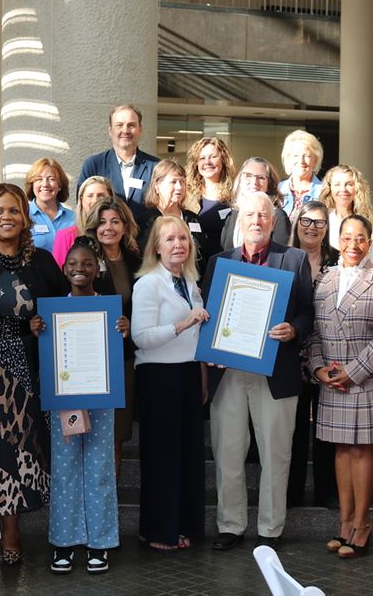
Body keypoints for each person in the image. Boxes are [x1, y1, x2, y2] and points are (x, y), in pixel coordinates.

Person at [0, 183, 69, 566]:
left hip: (26, 366)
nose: (6, 217)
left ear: (25, 217)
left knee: (17, 449)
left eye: (13, 211)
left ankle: (11, 532)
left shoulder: (41, 260)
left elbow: (63, 308)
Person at [205, 191, 314, 550]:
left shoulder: (294, 260)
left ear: (273, 221)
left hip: (276, 372)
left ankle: (270, 529)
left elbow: (306, 313)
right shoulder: (219, 262)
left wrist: (293, 329)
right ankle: (230, 526)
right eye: (249, 214)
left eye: (263, 215)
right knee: (228, 452)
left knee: (276, 454)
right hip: (229, 372)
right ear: (239, 221)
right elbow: (210, 315)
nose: (256, 220)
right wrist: (211, 348)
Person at [305, 214, 373, 558]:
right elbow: (315, 332)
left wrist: (353, 371)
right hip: (331, 380)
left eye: (360, 238)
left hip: (367, 380)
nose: (352, 244)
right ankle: (344, 523)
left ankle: (362, 524)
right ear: (337, 239)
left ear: (370, 241)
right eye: (346, 237)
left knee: (361, 450)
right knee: (341, 451)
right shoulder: (325, 279)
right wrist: (318, 368)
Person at [36, 237, 128, 574]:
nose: (79, 269)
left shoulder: (110, 309)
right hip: (67, 399)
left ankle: (100, 543)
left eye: (87, 263)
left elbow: (120, 350)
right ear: (64, 268)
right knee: (65, 469)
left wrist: (123, 330)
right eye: (73, 264)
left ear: (97, 268)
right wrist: (39, 330)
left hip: (101, 399)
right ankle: (63, 542)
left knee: (100, 468)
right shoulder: (52, 310)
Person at [132, 216, 208, 551]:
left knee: (189, 457)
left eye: (182, 238)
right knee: (162, 458)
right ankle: (158, 530)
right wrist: (182, 324)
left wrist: (203, 374)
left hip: (189, 376)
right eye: (170, 240)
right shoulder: (148, 284)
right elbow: (142, 338)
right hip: (159, 379)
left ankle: (184, 526)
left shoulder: (190, 283)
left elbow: (198, 336)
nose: (178, 244)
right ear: (157, 247)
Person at [85, 196, 143, 473]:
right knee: (89, 430)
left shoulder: (136, 260)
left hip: (122, 358)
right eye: (102, 222)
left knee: (117, 434)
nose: (108, 227)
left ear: (125, 226)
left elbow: (143, 304)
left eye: (115, 221)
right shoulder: (84, 258)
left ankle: (110, 503)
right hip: (89, 357)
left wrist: (132, 324)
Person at [288, 201, 338, 509]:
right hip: (291, 354)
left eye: (319, 223)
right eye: (307, 221)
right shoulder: (285, 257)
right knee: (292, 429)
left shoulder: (338, 259)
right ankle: (291, 493)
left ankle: (327, 492)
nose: (312, 227)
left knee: (326, 426)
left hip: (328, 353)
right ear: (297, 223)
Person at [77, 104, 160, 224]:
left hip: (146, 240)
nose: (125, 130)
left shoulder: (156, 167)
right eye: (119, 125)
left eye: (131, 125)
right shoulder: (93, 165)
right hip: (104, 238)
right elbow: (82, 207)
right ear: (110, 130)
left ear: (140, 129)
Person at [136, 159, 208, 275]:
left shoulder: (193, 219)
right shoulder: (146, 221)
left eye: (182, 182)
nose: (179, 187)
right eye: (173, 182)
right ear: (157, 186)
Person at [318, 164, 373, 267]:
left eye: (349, 184)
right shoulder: (321, 220)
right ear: (329, 189)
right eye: (337, 184)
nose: (343, 189)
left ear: (357, 189)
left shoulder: (369, 226)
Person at [220, 157, 291, 250]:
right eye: (248, 175)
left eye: (261, 177)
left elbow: (282, 257)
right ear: (240, 180)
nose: (254, 182)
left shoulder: (278, 216)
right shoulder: (232, 216)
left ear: (269, 184)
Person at [184, 137, 237, 263]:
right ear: (196, 163)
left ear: (223, 160)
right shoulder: (186, 196)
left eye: (213, 156)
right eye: (202, 158)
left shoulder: (235, 195)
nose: (207, 162)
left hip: (227, 262)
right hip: (195, 265)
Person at [52, 175, 114, 266]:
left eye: (101, 196)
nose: (95, 200)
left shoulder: (117, 234)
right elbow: (56, 276)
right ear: (81, 200)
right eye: (90, 196)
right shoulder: (66, 237)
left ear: (111, 198)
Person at [25, 157, 73, 253]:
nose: (45, 184)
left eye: (51, 179)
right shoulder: (23, 216)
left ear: (59, 186)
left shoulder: (74, 218)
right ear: (32, 185)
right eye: (39, 179)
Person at [277, 130, 324, 216]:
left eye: (307, 156)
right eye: (296, 156)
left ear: (315, 160)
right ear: (288, 159)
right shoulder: (277, 190)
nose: (301, 161)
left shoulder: (324, 192)